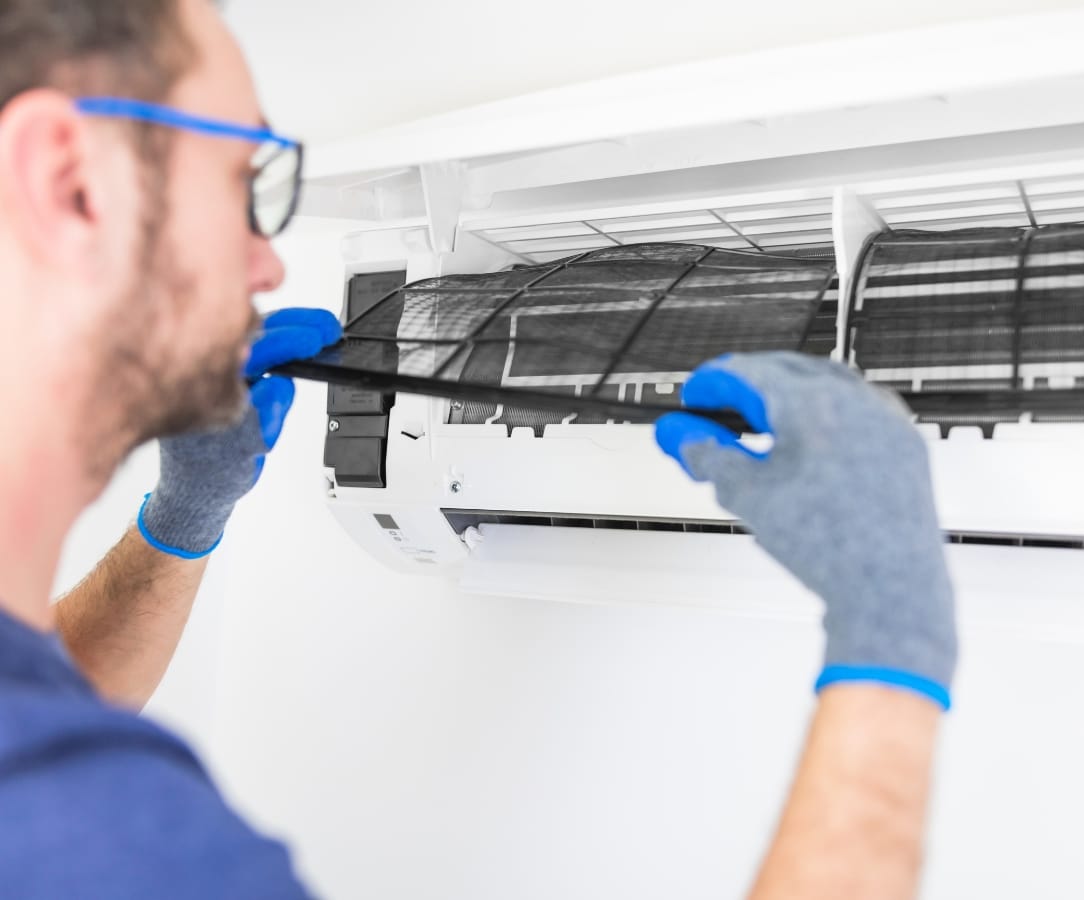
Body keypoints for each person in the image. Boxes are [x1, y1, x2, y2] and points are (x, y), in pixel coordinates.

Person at [0, 1, 958, 898]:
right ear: (69, 183)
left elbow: (44, 695)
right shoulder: (105, 841)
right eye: (242, 182)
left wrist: (182, 522)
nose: (269, 261)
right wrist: (890, 646)